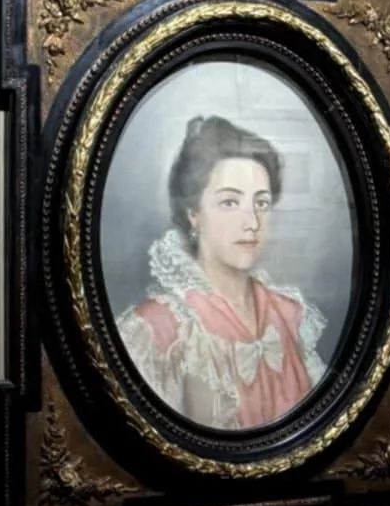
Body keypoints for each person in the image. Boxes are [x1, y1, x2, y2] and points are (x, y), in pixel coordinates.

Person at [117, 115, 326, 431]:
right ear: (194, 214)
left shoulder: (290, 315)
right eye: (230, 202)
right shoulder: (160, 329)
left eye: (261, 203)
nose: (252, 223)